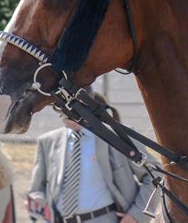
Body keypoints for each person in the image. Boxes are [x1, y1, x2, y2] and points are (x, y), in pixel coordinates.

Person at [28, 92, 160, 223]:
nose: (66, 110)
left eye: (71, 104)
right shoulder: (47, 141)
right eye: (60, 105)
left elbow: (155, 174)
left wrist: (136, 215)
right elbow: (36, 190)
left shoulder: (118, 137)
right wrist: (38, 204)